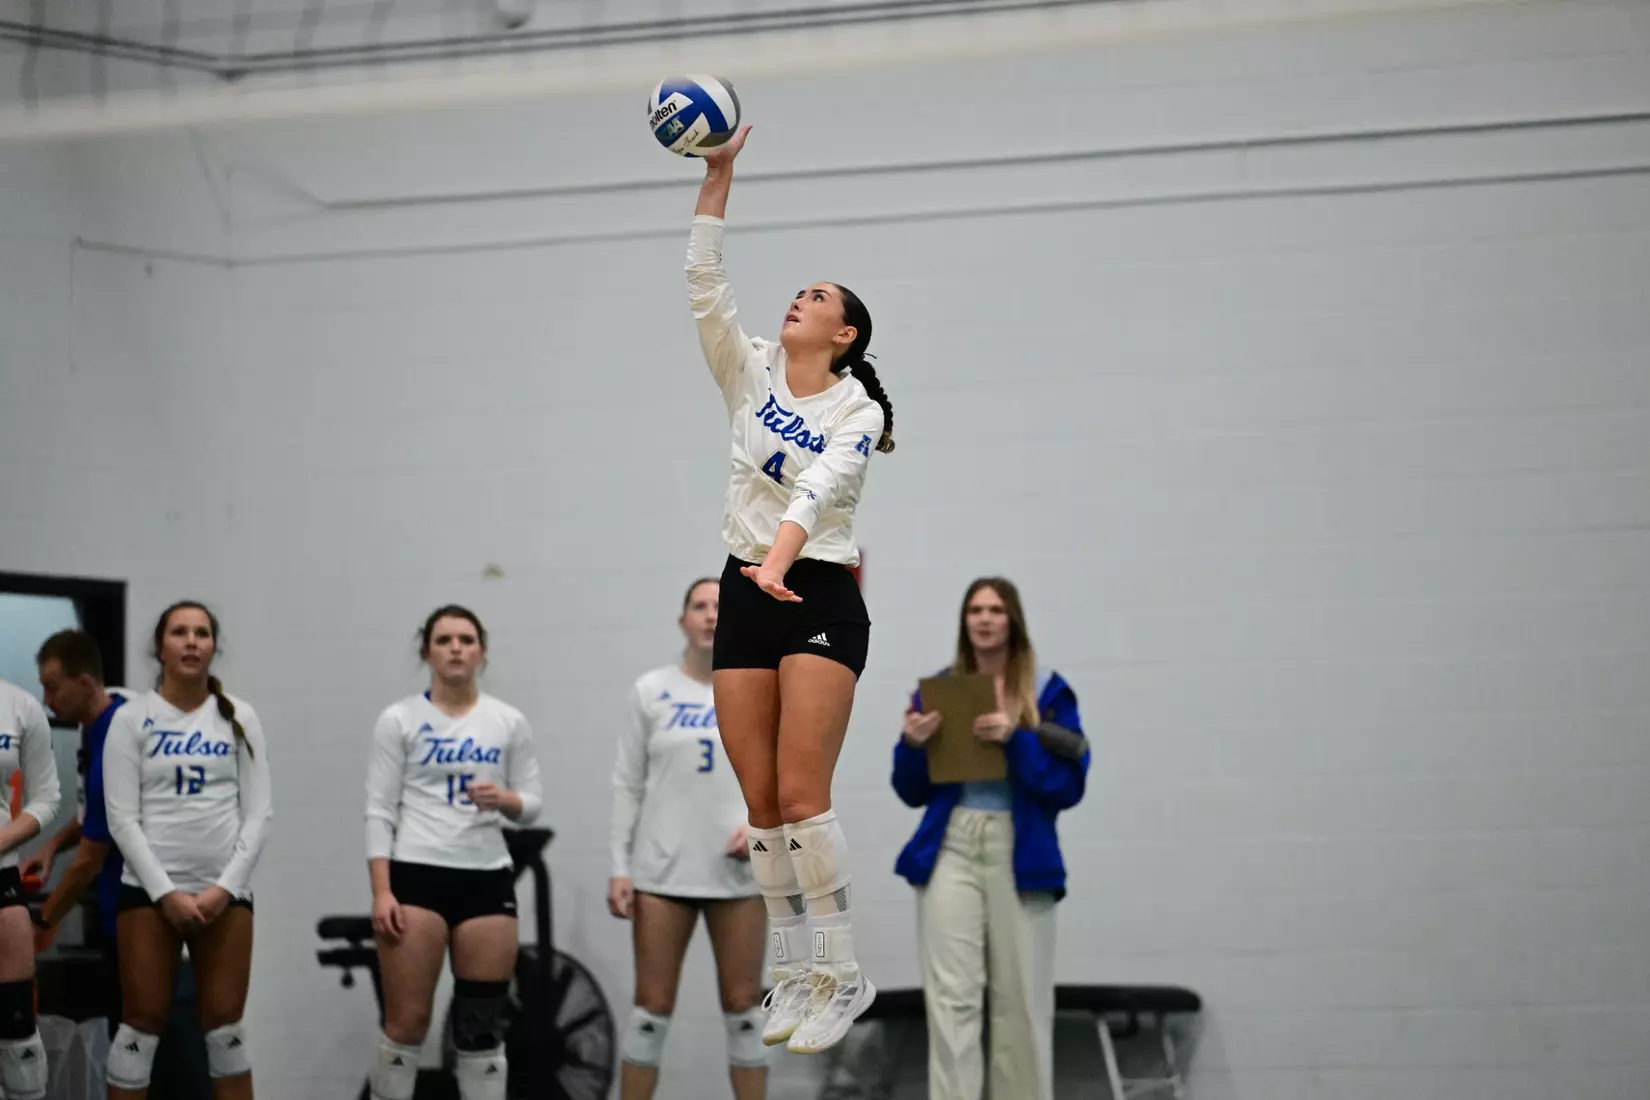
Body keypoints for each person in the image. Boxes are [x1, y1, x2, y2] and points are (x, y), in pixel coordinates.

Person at [686, 123, 896, 1055]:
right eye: (799, 291)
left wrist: (777, 562)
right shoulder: (751, 368)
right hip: (744, 591)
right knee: (760, 797)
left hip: (814, 594)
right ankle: (792, 969)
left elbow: (821, 490)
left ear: (844, 334)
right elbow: (704, 285)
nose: (798, 300)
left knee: (806, 790)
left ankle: (844, 971)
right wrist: (717, 179)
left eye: (817, 297)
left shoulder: (858, 407)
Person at [891, 577, 1090, 1100]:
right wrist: (912, 746)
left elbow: (1068, 786)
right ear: (964, 622)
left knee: (1020, 1002)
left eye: (995, 610)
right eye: (975, 610)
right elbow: (909, 790)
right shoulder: (940, 688)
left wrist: (1015, 739)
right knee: (951, 1001)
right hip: (951, 844)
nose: (984, 619)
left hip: (1019, 849)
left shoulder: (1047, 689)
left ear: (1013, 620)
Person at [363, 605, 543, 1100]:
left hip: (486, 877)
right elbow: (378, 810)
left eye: (466, 639)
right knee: (407, 1024)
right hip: (417, 876)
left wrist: (504, 801)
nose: (456, 648)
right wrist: (382, 892)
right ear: (427, 652)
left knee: (482, 1028)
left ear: (482, 651)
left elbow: (532, 803)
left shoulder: (507, 721)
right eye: (444, 640)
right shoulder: (399, 719)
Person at [100, 601, 274, 1100]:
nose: (192, 641)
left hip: (226, 895)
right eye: (180, 632)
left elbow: (259, 813)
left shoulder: (240, 716)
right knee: (140, 1026)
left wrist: (224, 889)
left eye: (202, 633)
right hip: (150, 896)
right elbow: (121, 819)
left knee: (227, 1031)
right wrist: (165, 894)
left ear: (214, 647)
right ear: (160, 647)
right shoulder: (131, 719)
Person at [608, 577, 769, 1099]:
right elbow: (627, 784)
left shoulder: (762, 687)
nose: (710, 615)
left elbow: (785, 777)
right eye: (699, 606)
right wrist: (620, 865)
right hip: (663, 874)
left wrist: (762, 826)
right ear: (683, 620)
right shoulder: (650, 690)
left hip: (739, 874)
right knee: (650, 1013)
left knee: (745, 1011)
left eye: (720, 606)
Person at [30, 630, 130, 1026]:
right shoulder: (93, 727)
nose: (46, 701)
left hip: (135, 913)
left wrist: (45, 921)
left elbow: (90, 858)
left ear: (85, 683)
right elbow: (93, 811)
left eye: (53, 689)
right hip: (112, 906)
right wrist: (52, 846)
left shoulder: (120, 735)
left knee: (136, 1040)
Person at [0, 677, 61, 1100]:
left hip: (0, 875)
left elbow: (47, 797)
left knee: (18, 1030)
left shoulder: (18, 704)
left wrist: (2, 841)